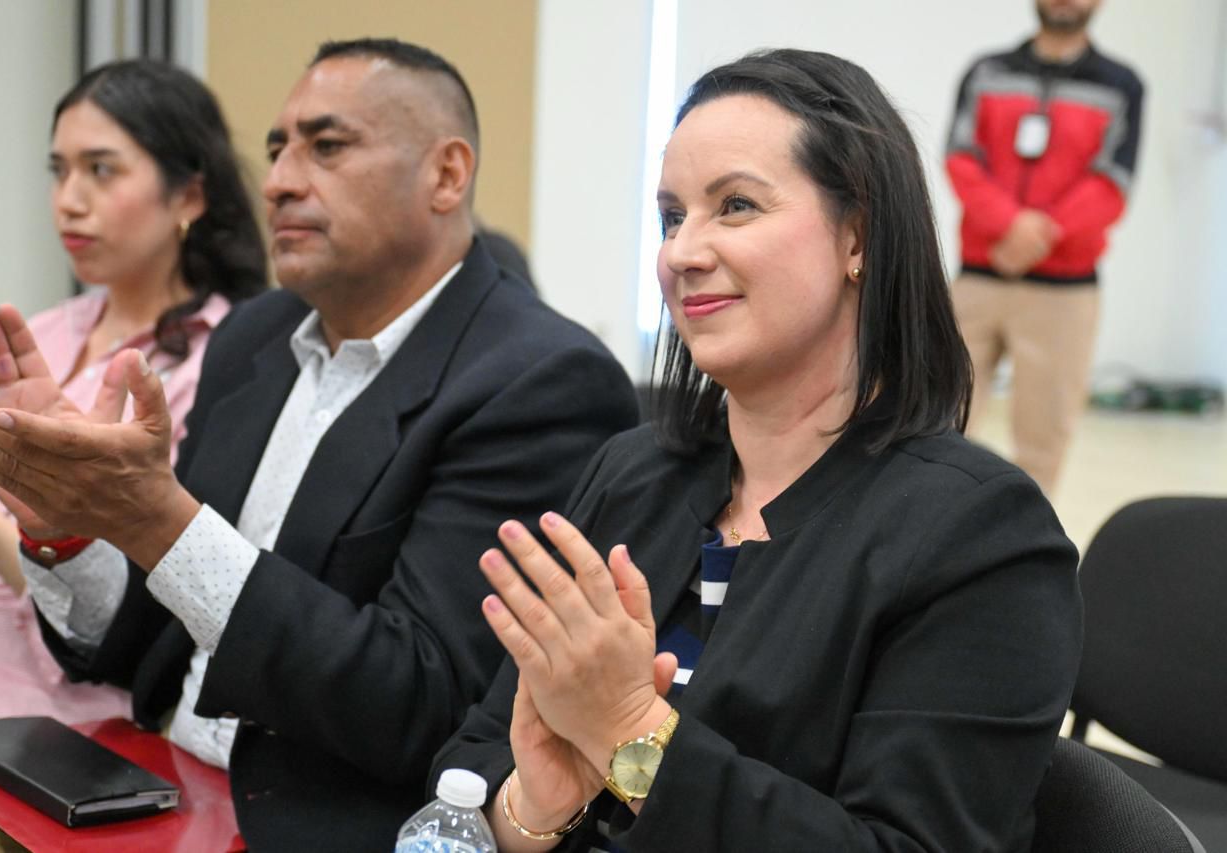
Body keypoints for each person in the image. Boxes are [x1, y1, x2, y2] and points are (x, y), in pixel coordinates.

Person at [0, 38, 636, 851]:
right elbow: (135, 641)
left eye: (327, 146)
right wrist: (62, 524)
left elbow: (424, 703)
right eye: (277, 150)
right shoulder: (257, 336)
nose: (278, 180)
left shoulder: (539, 379)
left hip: (306, 822)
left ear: (447, 174)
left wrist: (161, 522)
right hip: (141, 780)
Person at [430, 49, 1082, 851]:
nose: (682, 252)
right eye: (672, 217)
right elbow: (473, 759)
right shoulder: (632, 472)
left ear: (858, 236)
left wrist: (628, 736)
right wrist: (535, 808)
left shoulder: (982, 537)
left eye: (735, 206)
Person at [0, 58, 266, 727]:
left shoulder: (229, 361)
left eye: (101, 169)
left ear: (189, 197)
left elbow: (134, 606)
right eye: (59, 170)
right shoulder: (45, 331)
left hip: (57, 708)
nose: (69, 199)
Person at [945, 0, 1143, 495]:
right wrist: (1010, 224)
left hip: (1065, 295)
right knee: (936, 419)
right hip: (978, 281)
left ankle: (1024, 541)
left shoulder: (1121, 85)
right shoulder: (987, 71)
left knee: (1043, 442)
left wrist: (1037, 235)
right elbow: (961, 158)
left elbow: (1112, 182)